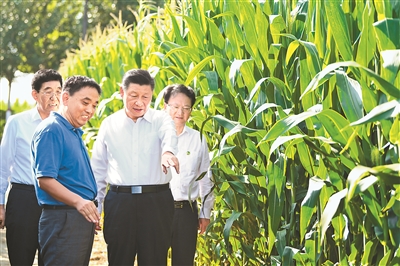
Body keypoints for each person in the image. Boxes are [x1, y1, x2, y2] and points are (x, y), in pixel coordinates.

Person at [91, 69, 180, 265]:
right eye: (133, 96)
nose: (139, 102)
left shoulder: (161, 119)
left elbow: (169, 136)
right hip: (119, 202)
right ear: (122, 93)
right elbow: (98, 168)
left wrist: (168, 152)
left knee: (155, 259)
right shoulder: (109, 124)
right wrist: (96, 205)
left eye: (145, 97)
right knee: (119, 258)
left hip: (156, 202)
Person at [31, 75, 102, 266]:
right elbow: (45, 179)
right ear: (65, 98)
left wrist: (88, 209)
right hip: (62, 220)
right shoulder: (52, 130)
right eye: (85, 102)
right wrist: (80, 202)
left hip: (75, 218)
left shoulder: (73, 131)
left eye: (95, 105)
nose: (90, 110)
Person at [0, 69, 63, 266]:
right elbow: (3, 166)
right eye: (48, 91)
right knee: (20, 259)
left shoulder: (66, 125)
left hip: (56, 201)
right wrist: (0, 204)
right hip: (23, 199)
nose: (54, 97)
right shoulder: (17, 123)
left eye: (59, 91)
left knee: (51, 260)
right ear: (35, 94)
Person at [163, 84, 215, 265]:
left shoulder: (198, 138)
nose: (180, 112)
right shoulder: (154, 137)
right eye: (175, 107)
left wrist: (205, 212)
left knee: (184, 261)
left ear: (191, 111)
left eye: (186, 108)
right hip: (157, 209)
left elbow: (205, 178)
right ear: (165, 106)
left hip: (186, 211)